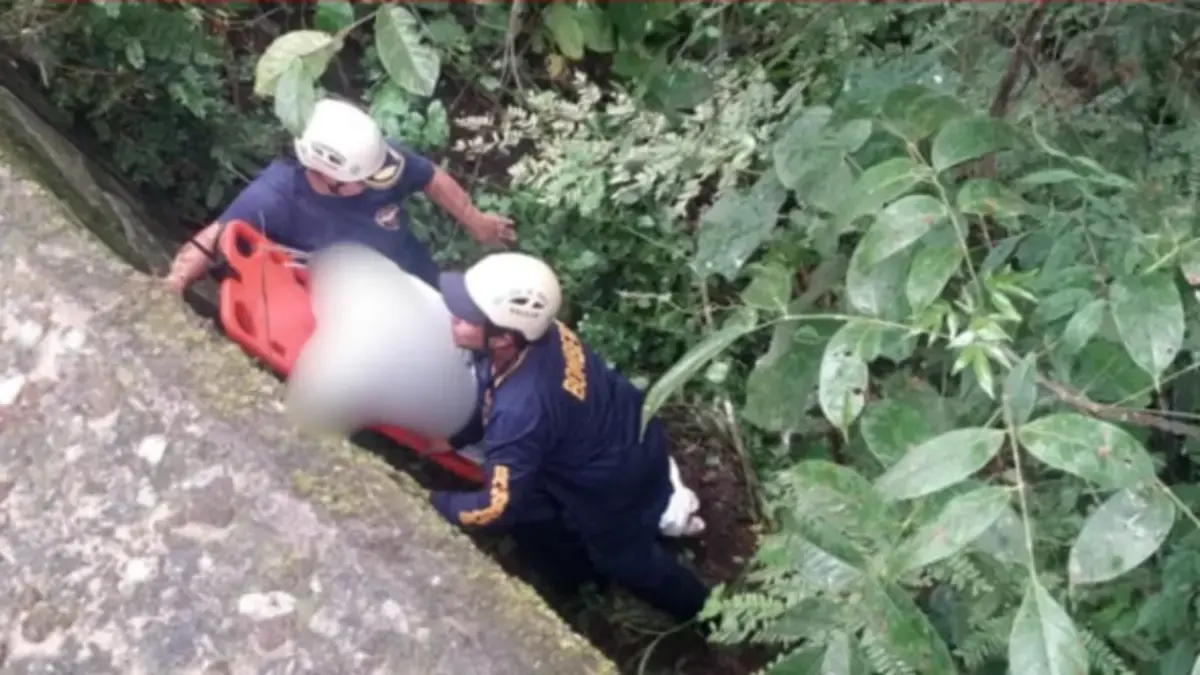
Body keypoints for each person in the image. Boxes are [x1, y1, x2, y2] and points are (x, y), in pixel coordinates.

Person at [431, 251, 711, 624]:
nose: (455, 320)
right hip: (635, 434)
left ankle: (709, 615)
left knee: (626, 560)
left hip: (609, 485)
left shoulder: (520, 411)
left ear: (501, 338)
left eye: (467, 317)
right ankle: (597, 560)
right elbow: (489, 392)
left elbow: (497, 507)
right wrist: (458, 439)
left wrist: (435, 502)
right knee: (570, 511)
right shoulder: (545, 335)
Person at [164, 97, 514, 293]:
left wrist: (476, 221)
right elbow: (213, 238)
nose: (377, 183)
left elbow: (430, 177)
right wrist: (174, 285)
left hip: (414, 275)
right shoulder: (278, 197)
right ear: (325, 175)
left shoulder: (374, 158)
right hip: (350, 304)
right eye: (362, 180)